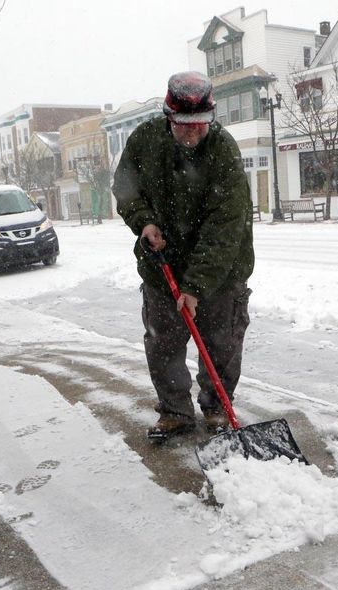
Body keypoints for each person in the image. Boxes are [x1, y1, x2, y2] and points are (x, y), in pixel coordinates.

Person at [113, 71, 254, 441]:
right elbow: (125, 189)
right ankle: (175, 412)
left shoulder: (223, 150)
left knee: (221, 345)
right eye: (184, 125)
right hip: (162, 269)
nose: (192, 133)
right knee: (163, 345)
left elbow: (225, 226)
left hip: (220, 273)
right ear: (168, 117)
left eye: (200, 125)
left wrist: (195, 285)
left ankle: (217, 408)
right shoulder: (145, 141)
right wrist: (144, 223)